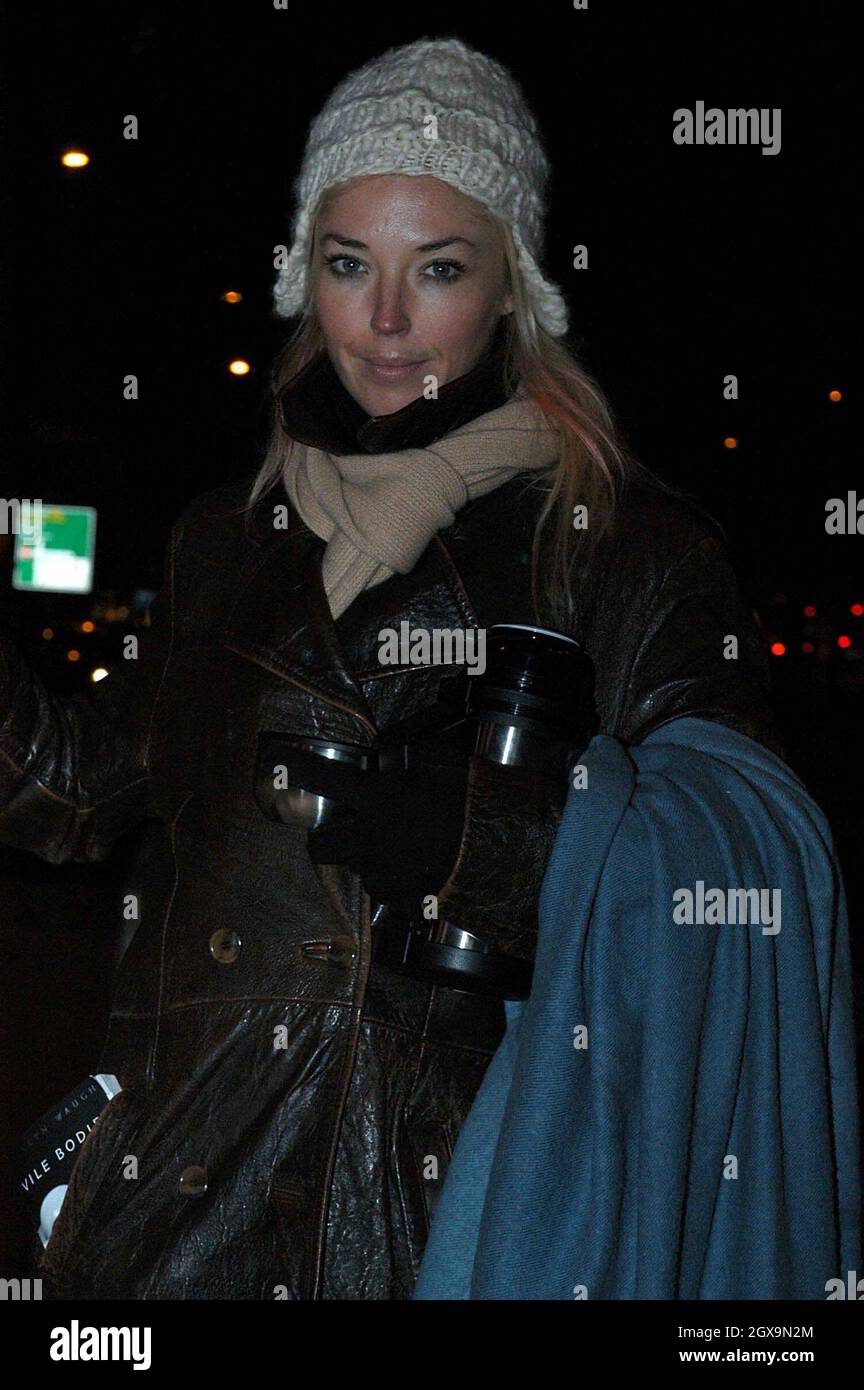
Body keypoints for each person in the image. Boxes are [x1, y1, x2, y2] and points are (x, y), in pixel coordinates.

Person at [0, 36, 854, 1301]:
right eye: (350, 266)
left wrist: (486, 840)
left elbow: (752, 862)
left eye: (438, 270)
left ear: (513, 286)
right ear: (308, 275)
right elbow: (79, 791)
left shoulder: (622, 545)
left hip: (450, 1221)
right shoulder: (228, 538)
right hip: (183, 1205)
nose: (386, 323)